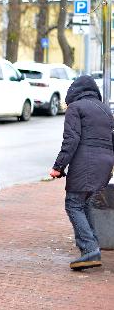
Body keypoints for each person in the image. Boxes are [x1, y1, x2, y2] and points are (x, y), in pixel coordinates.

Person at [50, 75, 114, 270]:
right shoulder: (105, 110)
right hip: (105, 164)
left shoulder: (76, 108)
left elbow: (71, 140)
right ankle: (91, 247)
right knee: (85, 204)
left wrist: (58, 166)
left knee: (73, 204)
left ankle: (89, 248)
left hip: (86, 162)